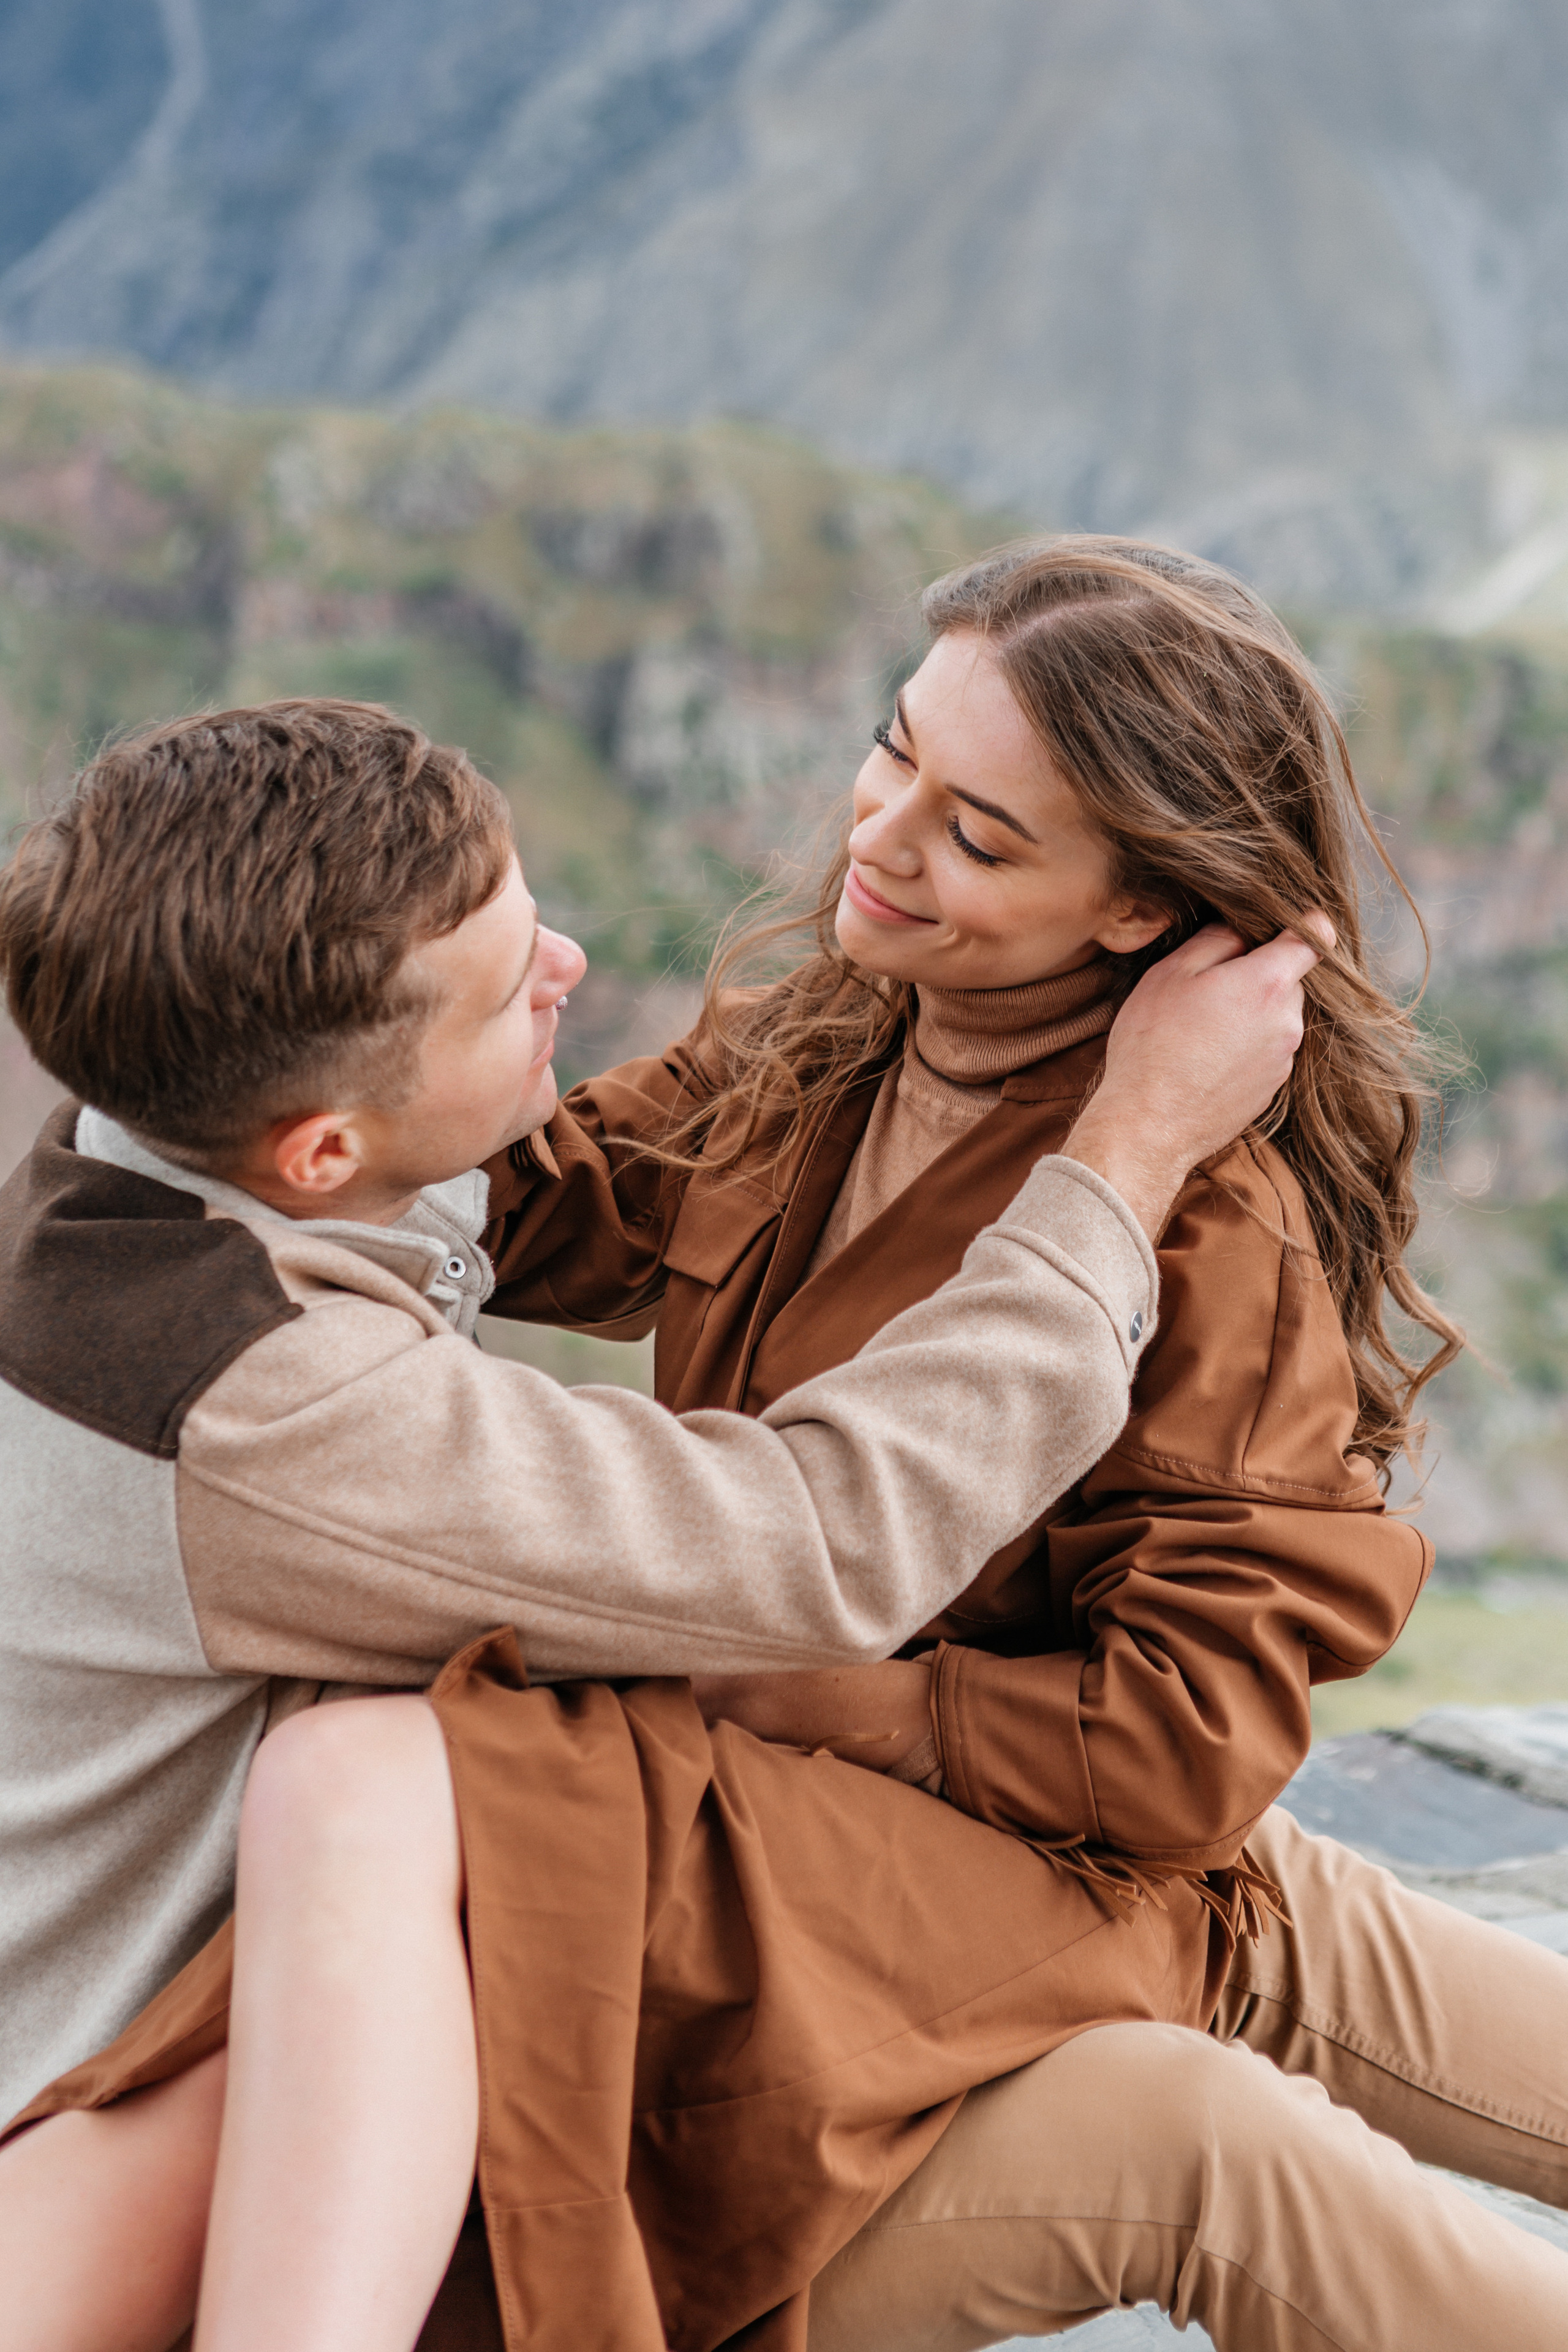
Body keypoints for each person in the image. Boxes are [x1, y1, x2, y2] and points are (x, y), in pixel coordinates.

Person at [9, 544, 1566, 2352]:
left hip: (975, 1809)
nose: (882, 839)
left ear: (1139, 913)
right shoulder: (826, 1052)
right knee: (1227, 2029)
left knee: (1267, 1929)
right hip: (835, 1828)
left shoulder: (1205, 1225)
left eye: (976, 834)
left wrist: (830, 1702)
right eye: (889, 751)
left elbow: (1177, 1751)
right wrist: (244, 1035)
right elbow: (600, 1252)